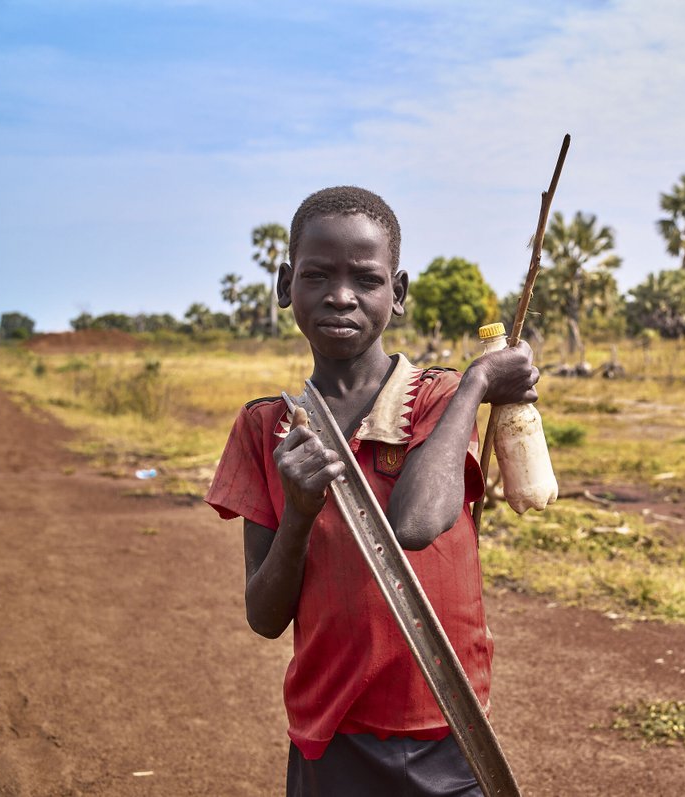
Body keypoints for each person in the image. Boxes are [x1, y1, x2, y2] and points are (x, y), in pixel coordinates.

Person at [205, 186, 538, 796]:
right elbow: (264, 615)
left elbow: (415, 523)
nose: (341, 295)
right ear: (285, 286)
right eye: (317, 275)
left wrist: (477, 383)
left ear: (398, 293)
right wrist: (299, 514)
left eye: (366, 278)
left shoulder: (438, 399)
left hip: (450, 725)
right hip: (331, 735)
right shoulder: (265, 428)